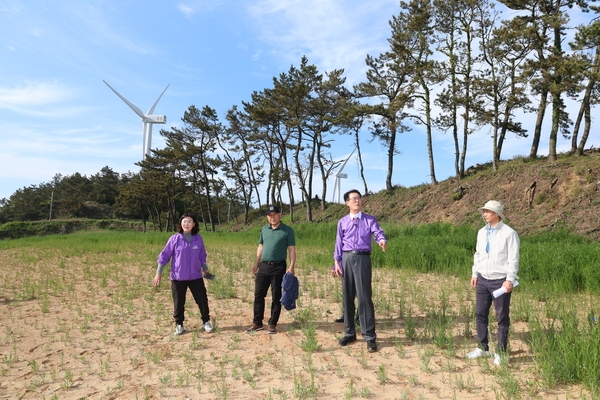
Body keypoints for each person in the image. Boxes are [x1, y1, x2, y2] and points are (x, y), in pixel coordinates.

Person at [333, 190, 387, 353]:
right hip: (347, 259)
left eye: (359, 198)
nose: (357, 201)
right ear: (347, 203)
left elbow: (377, 232)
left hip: (363, 258)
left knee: (364, 298)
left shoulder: (369, 219)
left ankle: (369, 336)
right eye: (353, 199)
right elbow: (339, 243)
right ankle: (349, 333)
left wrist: (382, 240)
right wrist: (336, 262)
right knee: (347, 297)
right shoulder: (342, 222)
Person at [467, 200, 520, 365]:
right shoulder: (481, 232)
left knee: (502, 317)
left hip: (500, 281)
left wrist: (509, 280)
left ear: (497, 214)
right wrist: (475, 272)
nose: (484, 214)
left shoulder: (509, 233)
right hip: (483, 279)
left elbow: (513, 258)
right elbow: (478, 254)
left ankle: (501, 352)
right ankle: (483, 348)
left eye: (487, 211)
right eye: (484, 211)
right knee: (480, 314)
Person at [153, 213, 213, 336]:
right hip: (178, 277)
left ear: (194, 224)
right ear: (181, 223)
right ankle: (179, 324)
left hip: (195, 276)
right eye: (184, 221)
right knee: (178, 301)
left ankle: (206, 322)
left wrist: (206, 269)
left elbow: (202, 256)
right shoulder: (174, 239)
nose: (186, 224)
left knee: (202, 299)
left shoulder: (198, 238)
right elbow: (164, 256)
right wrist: (158, 273)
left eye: (189, 221)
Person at [246, 205, 296, 334]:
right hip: (263, 266)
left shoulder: (287, 230)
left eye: (274, 214)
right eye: (269, 215)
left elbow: (291, 250)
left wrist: (291, 267)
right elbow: (261, 246)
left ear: (280, 215)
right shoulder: (264, 229)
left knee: (276, 296)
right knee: (258, 295)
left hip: (278, 267)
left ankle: (272, 323)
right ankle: (257, 322)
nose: (272, 217)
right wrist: (256, 263)